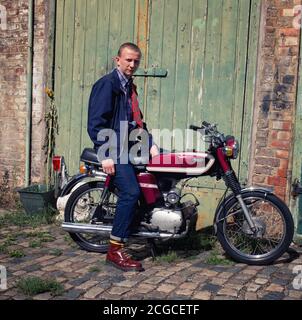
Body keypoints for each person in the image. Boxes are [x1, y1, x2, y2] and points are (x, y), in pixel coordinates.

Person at [87, 42, 159, 272]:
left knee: (152, 180)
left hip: (128, 148)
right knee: (131, 192)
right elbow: (96, 123)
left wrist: (150, 143)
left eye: (136, 61)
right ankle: (114, 250)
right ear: (117, 59)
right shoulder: (108, 85)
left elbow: (136, 121)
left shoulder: (129, 87)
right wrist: (105, 154)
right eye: (128, 60)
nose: (132, 64)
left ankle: (143, 231)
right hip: (114, 150)